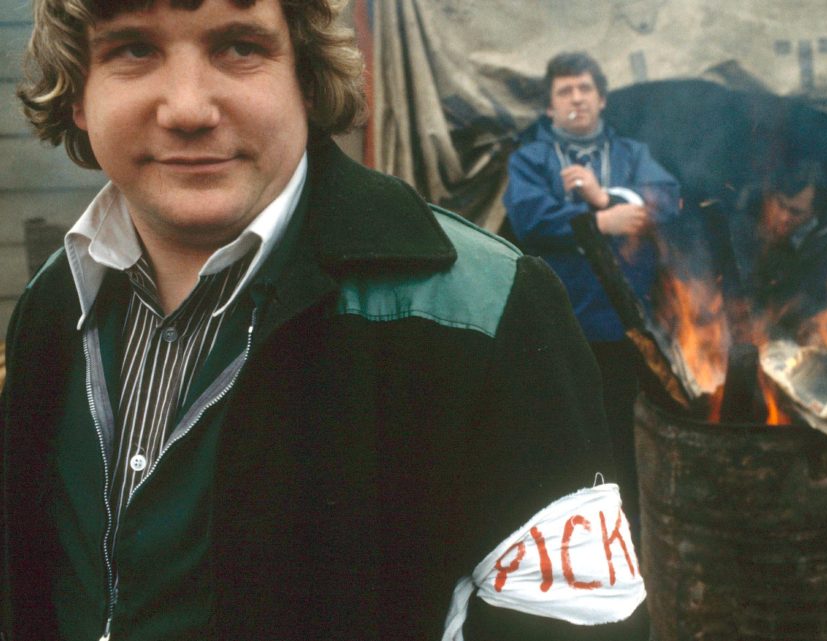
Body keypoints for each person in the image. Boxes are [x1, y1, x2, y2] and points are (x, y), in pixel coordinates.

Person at [3, 2, 647, 639]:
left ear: (306, 78)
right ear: (79, 93)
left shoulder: (486, 310)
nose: (189, 109)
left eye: (239, 47)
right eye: (134, 50)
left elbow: (577, 621)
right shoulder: (53, 306)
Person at [503, 51, 680, 537]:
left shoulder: (631, 154)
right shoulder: (532, 159)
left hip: (626, 326)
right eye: (565, 91)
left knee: (627, 434)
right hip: (560, 323)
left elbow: (667, 199)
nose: (576, 99)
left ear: (601, 99)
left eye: (584, 89)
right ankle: (575, 537)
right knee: (567, 436)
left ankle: (631, 534)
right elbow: (527, 217)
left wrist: (606, 197)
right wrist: (600, 222)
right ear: (550, 108)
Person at [730, 158, 827, 340]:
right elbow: (738, 288)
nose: (783, 217)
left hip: (808, 327)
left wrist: (825, 322)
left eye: (796, 212)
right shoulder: (745, 223)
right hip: (753, 326)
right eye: (780, 204)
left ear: (816, 211)